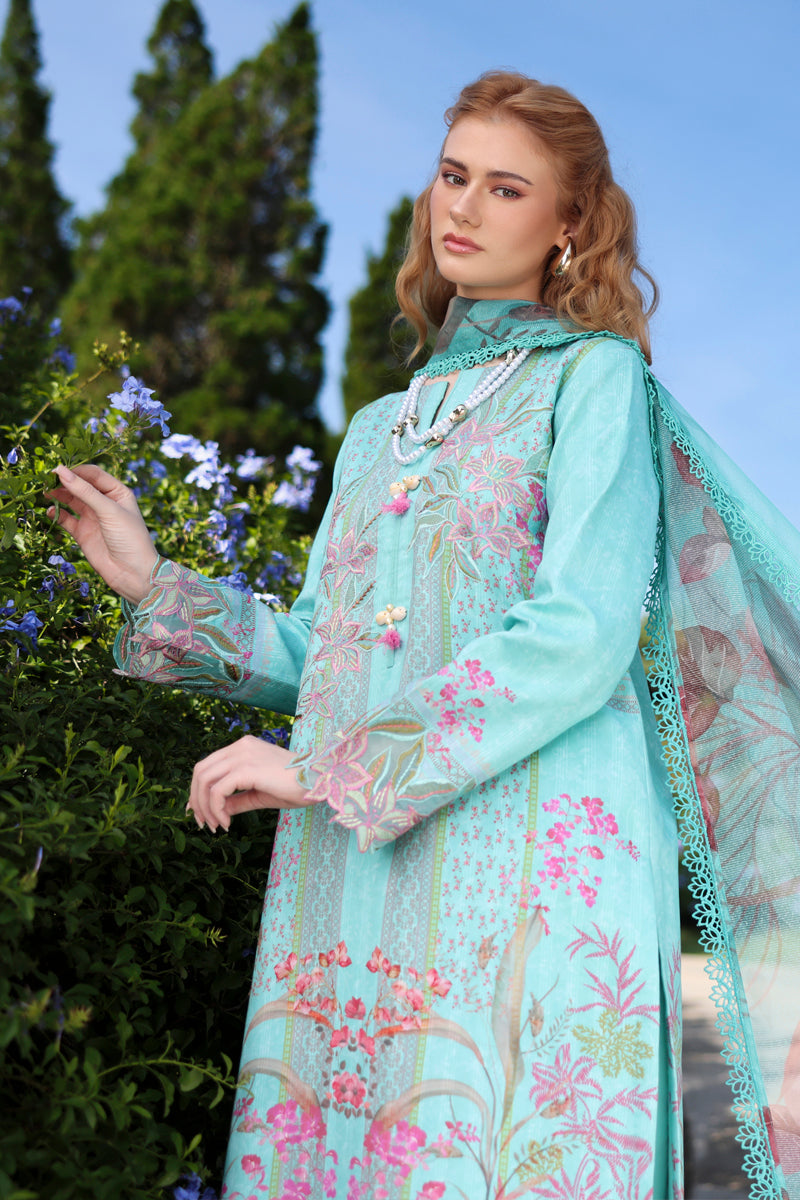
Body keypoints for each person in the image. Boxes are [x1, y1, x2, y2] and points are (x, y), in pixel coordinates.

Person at [47, 72, 800, 1200]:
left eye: (506, 188)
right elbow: (326, 652)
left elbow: (582, 629)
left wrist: (329, 768)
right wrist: (155, 584)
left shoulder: (593, 381)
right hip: (352, 864)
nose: (464, 207)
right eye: (454, 176)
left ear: (569, 225)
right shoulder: (373, 430)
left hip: (535, 858)